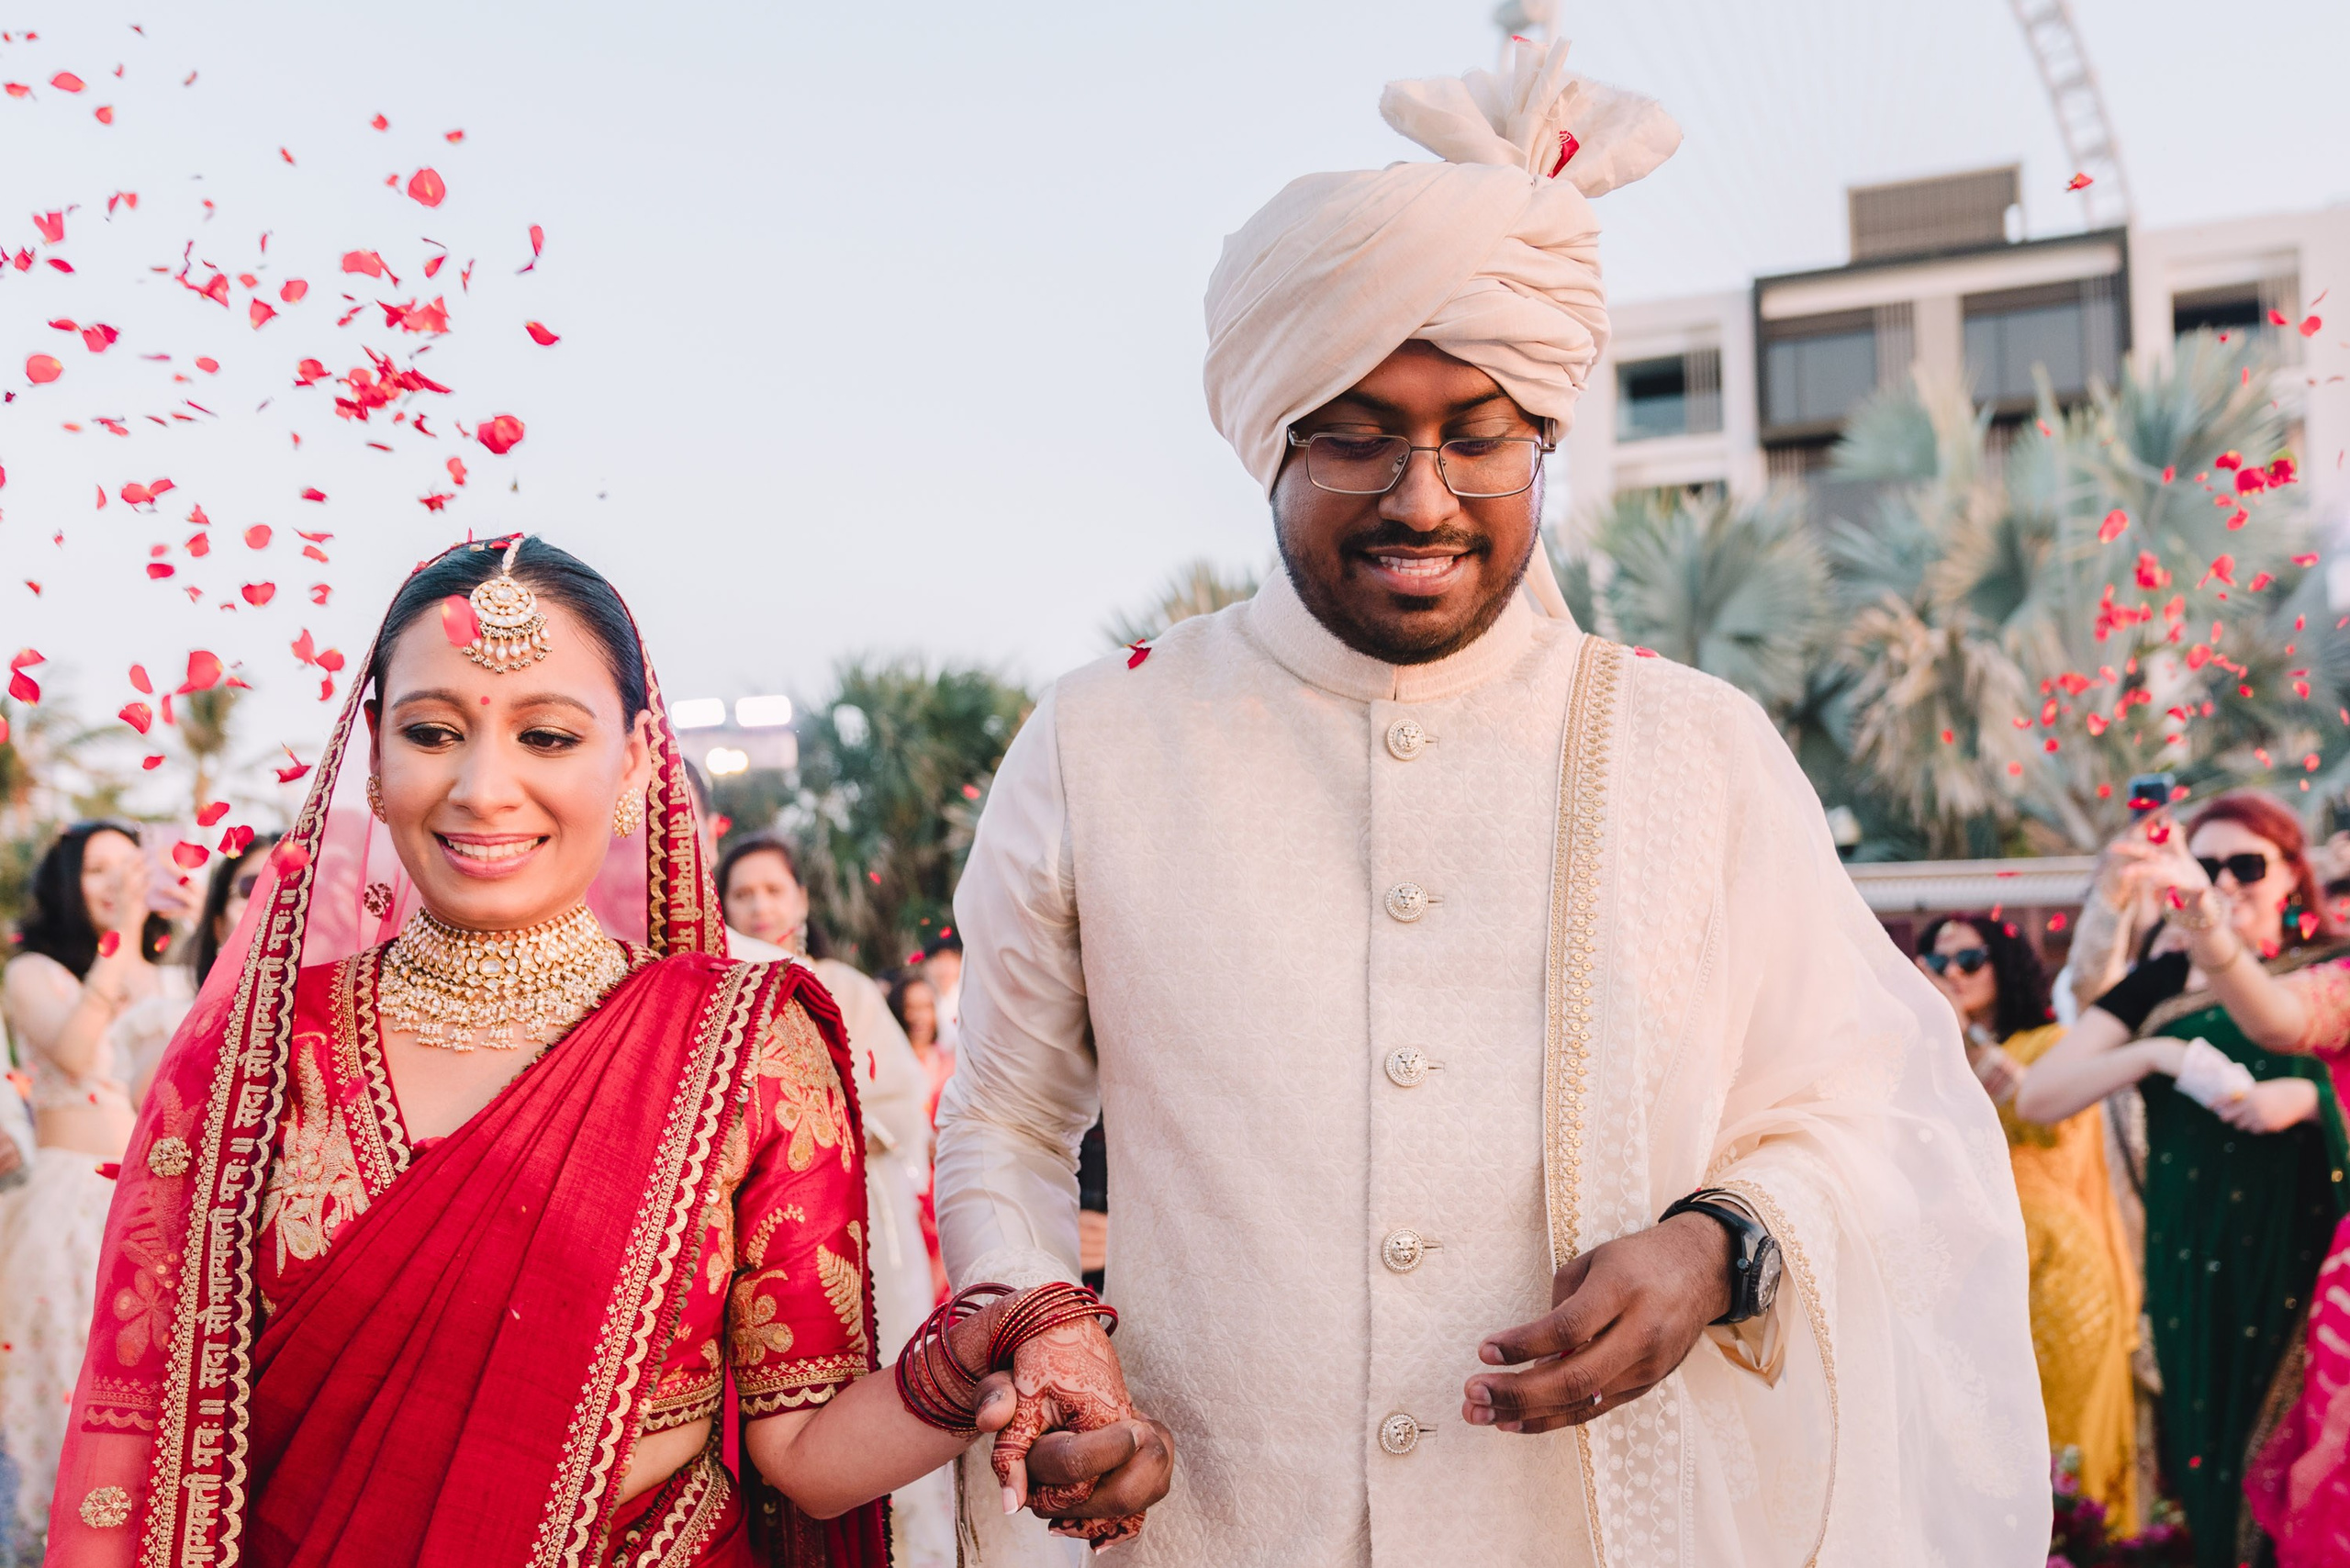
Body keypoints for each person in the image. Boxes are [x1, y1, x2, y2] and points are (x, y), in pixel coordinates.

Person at [935, 39, 2044, 1567]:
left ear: (1544, 443)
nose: (1422, 494)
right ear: (1271, 436)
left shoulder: (1691, 748)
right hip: (1213, 1524)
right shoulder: (1101, 740)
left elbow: (1883, 1109)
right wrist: (1048, 1330)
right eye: (1357, 432)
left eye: (1479, 432)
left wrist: (1719, 1244)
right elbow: (1001, 1111)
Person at [43, 535, 1171, 1566]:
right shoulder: (251, 1058)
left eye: (546, 734)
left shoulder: (746, 1045)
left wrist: (1002, 1336)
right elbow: (138, 1442)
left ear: (636, 760)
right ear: (374, 755)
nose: (484, 787)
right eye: (433, 732)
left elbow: (808, 1455)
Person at [2017, 791, 2347, 1568]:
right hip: (2192, 1251)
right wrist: (2156, 1057)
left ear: (2291, 878)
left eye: (2248, 864)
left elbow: (2284, 1030)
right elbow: (2040, 1094)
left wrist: (2310, 1099)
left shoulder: (2323, 972)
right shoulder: (2163, 981)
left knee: (2307, 1470)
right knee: (2210, 1453)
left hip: (2305, 1244)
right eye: (2208, 863)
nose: (2227, 879)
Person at [716, 834, 954, 1568]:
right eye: (744, 893)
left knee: (890, 1380)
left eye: (773, 889)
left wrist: (827, 1127)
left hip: (868, 1212)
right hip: (761, 1233)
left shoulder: (844, 989)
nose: (760, 904)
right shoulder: (715, 988)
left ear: (802, 899)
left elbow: (903, 1099)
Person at [0, 822, 193, 1561]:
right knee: (67, 1397)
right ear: (65, 884)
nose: (117, 881)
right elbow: (80, 1051)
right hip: (67, 1203)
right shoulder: (36, 971)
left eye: (128, 865)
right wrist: (120, 944)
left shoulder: (169, 975)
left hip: (153, 1205)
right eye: (97, 869)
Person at [1916, 913, 2140, 1530]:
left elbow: (2042, 1115)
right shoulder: (1928, 1060)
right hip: (1964, 1271)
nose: (1950, 974)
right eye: (1936, 963)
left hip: (2054, 1267)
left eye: (1968, 961)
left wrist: (1967, 1036)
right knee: (1980, 1438)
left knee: (2061, 1436)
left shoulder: (2053, 1044)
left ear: (2006, 965)